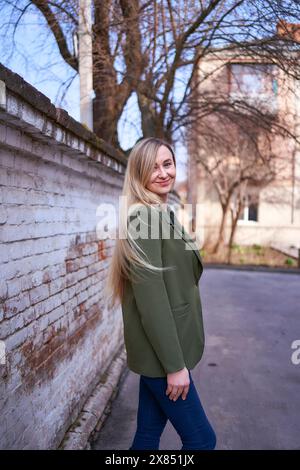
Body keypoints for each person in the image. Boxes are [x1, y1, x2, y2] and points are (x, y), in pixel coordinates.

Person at [104, 137, 216, 450]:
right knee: (202, 440)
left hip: (165, 351)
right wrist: (175, 367)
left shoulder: (162, 212)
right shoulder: (144, 218)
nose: (163, 173)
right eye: (152, 167)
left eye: (167, 164)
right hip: (165, 357)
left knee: (147, 436)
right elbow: (151, 303)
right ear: (138, 173)